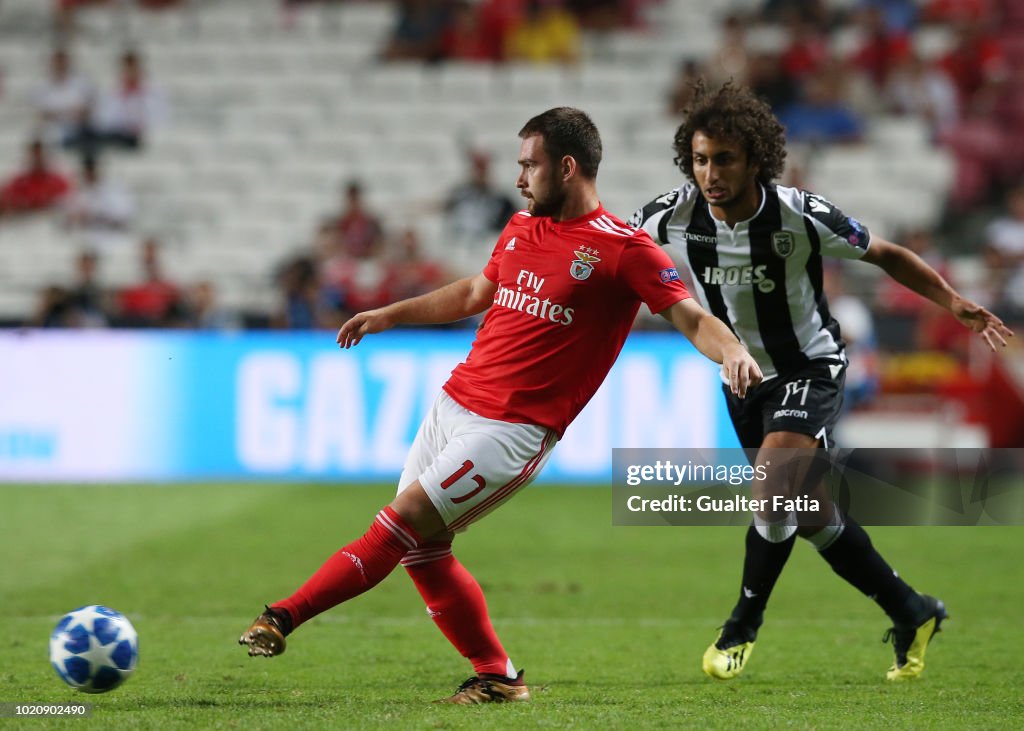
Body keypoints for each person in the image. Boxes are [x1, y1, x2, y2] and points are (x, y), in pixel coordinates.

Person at [239, 107, 763, 703]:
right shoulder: (520, 227)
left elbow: (690, 315)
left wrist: (732, 351)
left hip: (512, 430)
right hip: (453, 404)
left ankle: (281, 616)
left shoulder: (623, 250)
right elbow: (473, 293)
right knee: (424, 553)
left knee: (399, 523)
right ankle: (498, 677)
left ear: (566, 168)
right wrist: (389, 314)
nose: (519, 178)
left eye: (528, 165)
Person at [629, 81, 1012, 682]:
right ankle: (912, 610)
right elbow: (616, 255)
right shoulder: (671, 213)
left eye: (724, 159)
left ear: (755, 158)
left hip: (810, 366)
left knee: (774, 488)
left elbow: (884, 253)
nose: (711, 173)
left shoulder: (799, 214)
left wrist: (952, 301)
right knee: (808, 513)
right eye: (701, 159)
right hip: (741, 378)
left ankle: (741, 626)